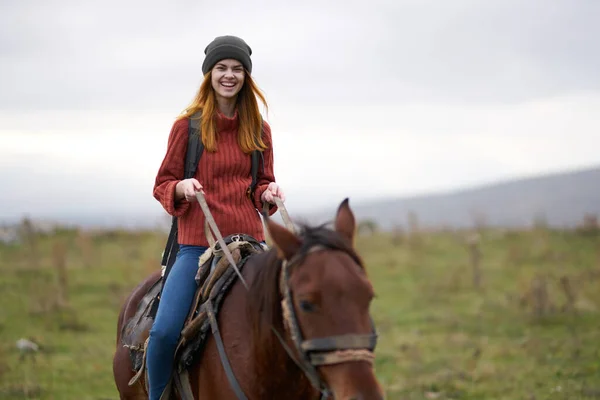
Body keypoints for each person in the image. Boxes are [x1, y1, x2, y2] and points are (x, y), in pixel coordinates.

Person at [148, 35, 285, 400]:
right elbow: (163, 184)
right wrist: (182, 187)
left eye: (237, 69)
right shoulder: (187, 127)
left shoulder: (260, 130)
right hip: (197, 247)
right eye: (222, 68)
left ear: (246, 76)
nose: (229, 75)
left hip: (250, 244)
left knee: (290, 322)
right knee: (163, 333)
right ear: (209, 74)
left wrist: (268, 193)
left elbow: (260, 185)